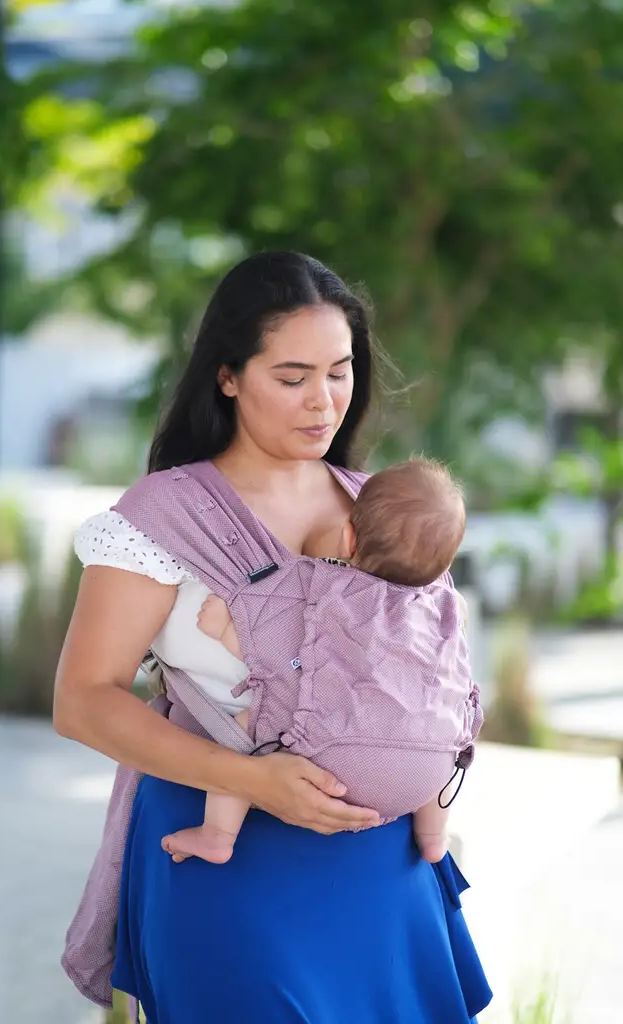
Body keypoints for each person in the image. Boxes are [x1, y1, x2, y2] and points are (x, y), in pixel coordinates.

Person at [56, 251, 492, 1024]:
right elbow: (84, 703)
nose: (321, 402)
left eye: (339, 371)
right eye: (291, 378)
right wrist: (254, 781)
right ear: (227, 376)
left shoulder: (381, 510)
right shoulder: (167, 517)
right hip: (224, 859)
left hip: (377, 868)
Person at [162, 456, 471, 867]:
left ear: (348, 539)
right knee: (438, 729)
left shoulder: (324, 588)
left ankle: (217, 835)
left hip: (332, 759)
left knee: (239, 733)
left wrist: (222, 626)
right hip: (423, 776)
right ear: (446, 563)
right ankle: (433, 836)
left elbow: (273, 649)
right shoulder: (448, 608)